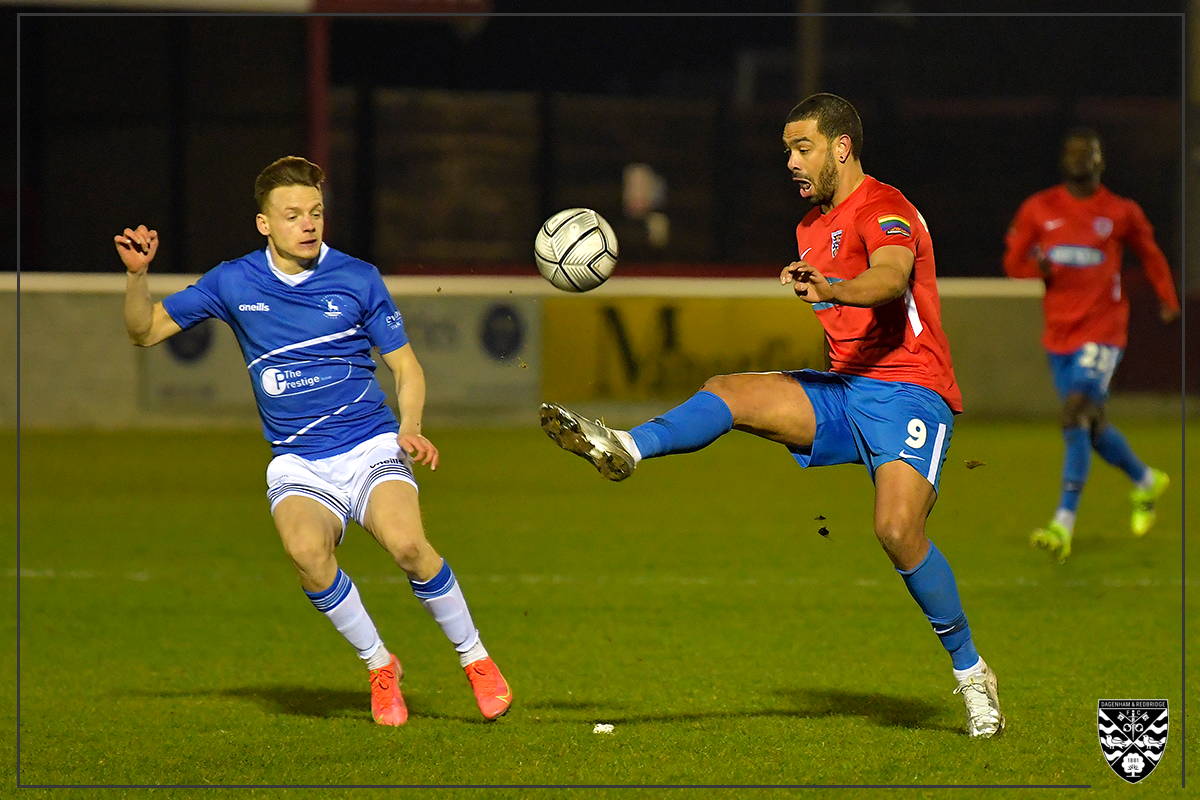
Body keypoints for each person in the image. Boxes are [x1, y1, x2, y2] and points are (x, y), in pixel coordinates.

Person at [541, 93, 1004, 739]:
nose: (790, 160)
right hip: (847, 391)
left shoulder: (885, 207)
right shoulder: (812, 227)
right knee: (728, 390)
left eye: (802, 147)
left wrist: (836, 287)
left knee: (897, 530)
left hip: (910, 391)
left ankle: (973, 675)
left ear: (842, 146)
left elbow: (892, 277)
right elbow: (842, 326)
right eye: (787, 148)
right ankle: (627, 445)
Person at [117, 156, 511, 726]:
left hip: (369, 445)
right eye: (294, 214)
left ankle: (475, 660)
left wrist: (411, 427)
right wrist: (136, 276)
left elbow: (407, 368)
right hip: (299, 461)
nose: (309, 223)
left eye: (317, 213)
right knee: (306, 555)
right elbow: (144, 331)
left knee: (406, 545)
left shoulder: (357, 277)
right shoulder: (233, 280)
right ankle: (380, 665)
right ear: (265, 224)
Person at [1003, 128, 1180, 563]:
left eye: (1089, 152)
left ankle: (1062, 524)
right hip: (1059, 334)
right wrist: (1037, 270)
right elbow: (1013, 262)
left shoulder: (1119, 212)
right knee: (1090, 427)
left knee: (1074, 415)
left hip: (1104, 330)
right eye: (1072, 151)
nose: (1080, 157)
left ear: (1101, 162)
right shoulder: (1039, 209)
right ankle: (1144, 480)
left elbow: (1151, 254)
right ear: (1063, 160)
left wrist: (1167, 297)